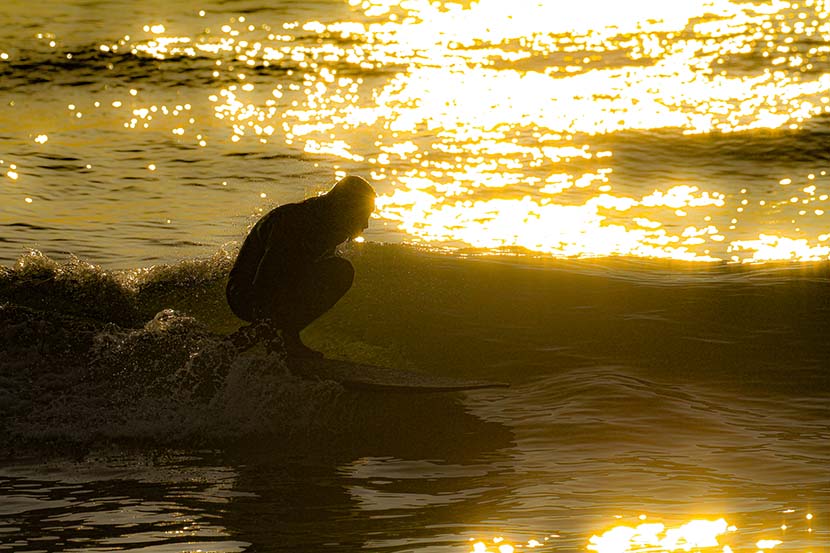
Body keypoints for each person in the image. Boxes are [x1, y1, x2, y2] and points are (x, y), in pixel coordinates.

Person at [225, 175, 376, 358]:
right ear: (346, 208)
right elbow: (267, 276)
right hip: (245, 294)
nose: (366, 225)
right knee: (340, 271)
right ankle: (271, 337)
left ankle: (277, 335)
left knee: (340, 271)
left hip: (274, 290)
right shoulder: (296, 222)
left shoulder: (328, 224)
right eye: (363, 215)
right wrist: (266, 324)